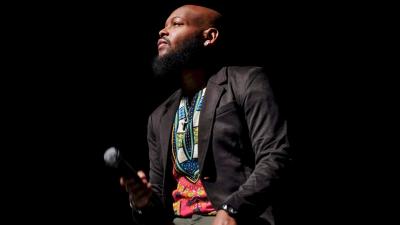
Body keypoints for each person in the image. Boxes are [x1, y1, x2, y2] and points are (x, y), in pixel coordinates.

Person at [120, 3, 291, 225]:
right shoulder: (159, 116)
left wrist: (233, 209)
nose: (163, 31)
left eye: (177, 23)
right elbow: (159, 202)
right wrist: (141, 201)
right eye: (164, 26)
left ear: (209, 36)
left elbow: (275, 155)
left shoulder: (246, 82)